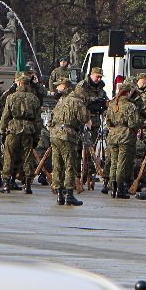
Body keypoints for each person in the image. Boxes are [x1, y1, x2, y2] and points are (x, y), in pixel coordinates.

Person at [0, 70, 43, 194]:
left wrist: (2, 131)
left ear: (18, 83)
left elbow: (5, 116)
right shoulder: (34, 99)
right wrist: (37, 136)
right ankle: (27, 184)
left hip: (13, 128)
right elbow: (38, 120)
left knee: (9, 156)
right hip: (28, 129)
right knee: (27, 156)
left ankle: (6, 182)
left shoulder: (11, 97)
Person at [50, 78, 90, 206]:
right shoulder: (76, 101)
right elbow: (84, 118)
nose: (56, 88)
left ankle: (59, 194)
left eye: (59, 86)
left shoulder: (60, 101)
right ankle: (69, 194)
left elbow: (51, 118)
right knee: (69, 164)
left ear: (66, 86)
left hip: (55, 134)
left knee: (57, 164)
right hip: (67, 135)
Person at [105, 81, 143, 198]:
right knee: (122, 163)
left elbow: (108, 122)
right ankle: (120, 189)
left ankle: (113, 187)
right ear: (128, 92)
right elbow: (133, 123)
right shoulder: (130, 106)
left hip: (113, 135)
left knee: (114, 163)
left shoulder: (112, 104)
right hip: (125, 136)